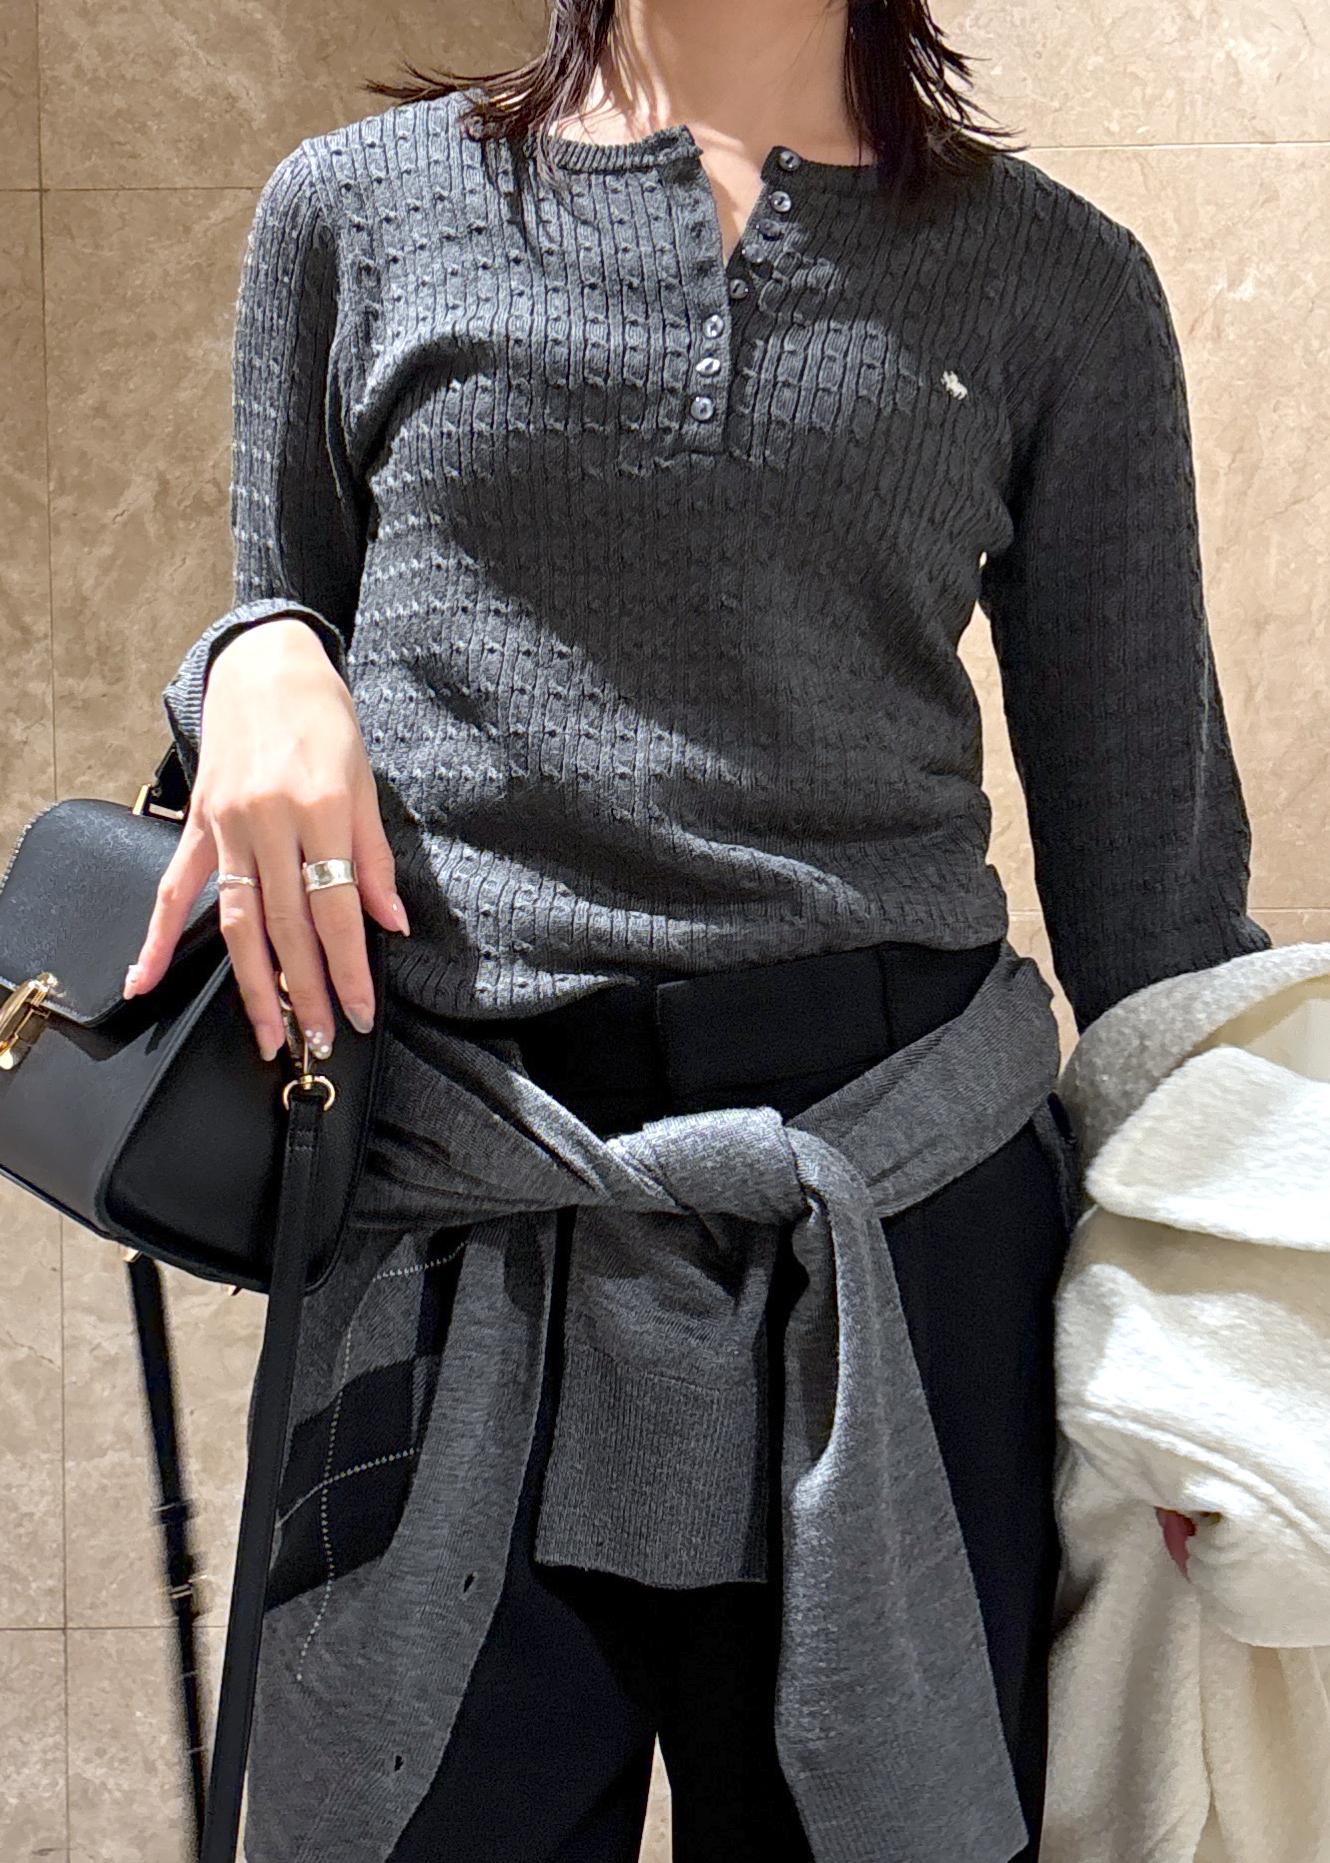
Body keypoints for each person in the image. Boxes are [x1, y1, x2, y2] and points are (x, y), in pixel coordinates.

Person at [125, 2, 1271, 1858]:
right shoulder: (351, 208)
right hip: (458, 1210)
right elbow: (289, 623)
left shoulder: (1056, 279)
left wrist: (1216, 1359)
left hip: (901, 1226)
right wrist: (250, 650)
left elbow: (1157, 901)